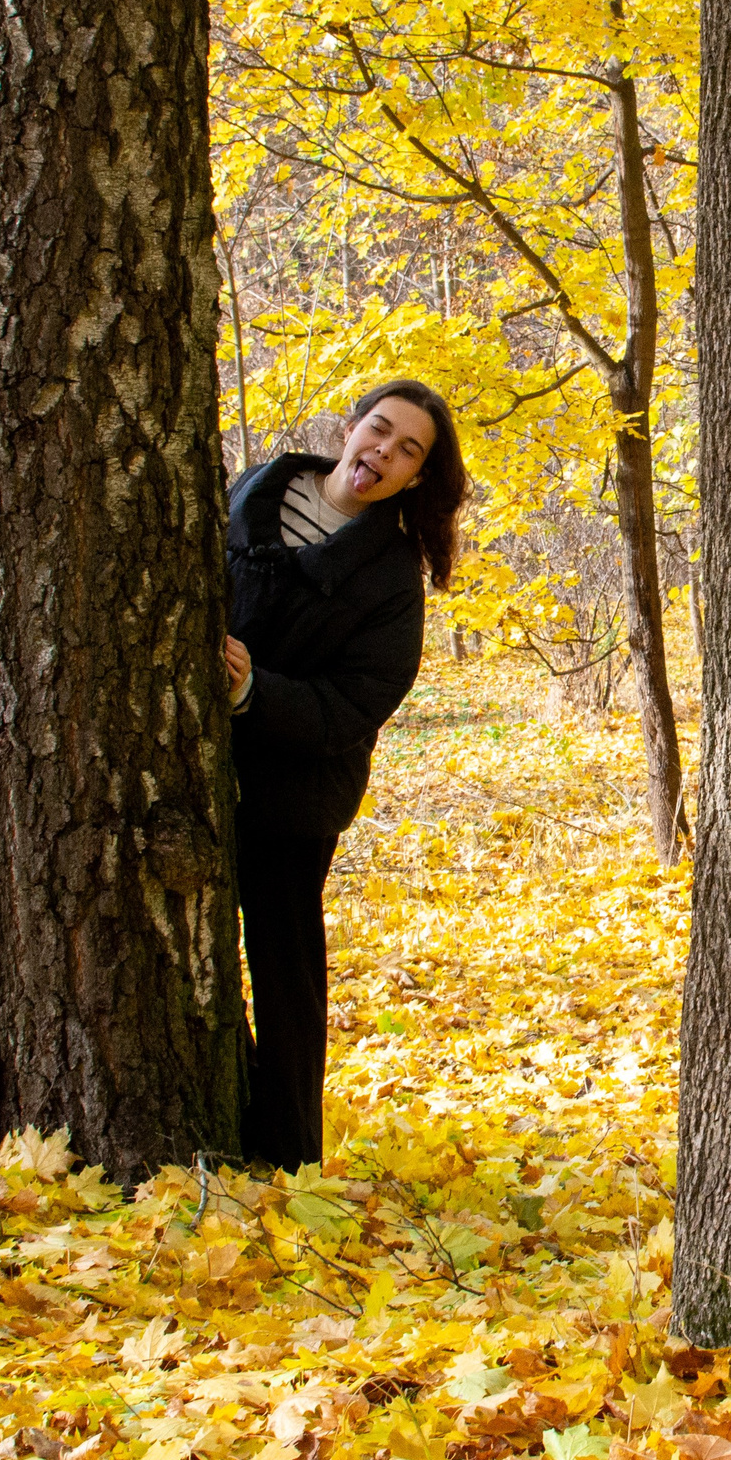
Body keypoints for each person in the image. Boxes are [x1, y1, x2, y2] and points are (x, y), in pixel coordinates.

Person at [223, 379, 467, 1168]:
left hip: (292, 793)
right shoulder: (254, 492)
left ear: (418, 478)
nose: (383, 454)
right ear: (349, 426)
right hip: (192, 767)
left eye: (408, 451)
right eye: (379, 430)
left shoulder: (390, 577)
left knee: (284, 965)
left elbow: (352, 706)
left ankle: (286, 1155)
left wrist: (253, 689)